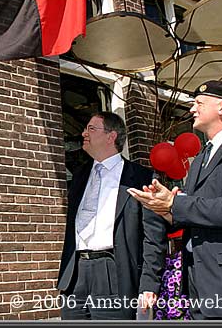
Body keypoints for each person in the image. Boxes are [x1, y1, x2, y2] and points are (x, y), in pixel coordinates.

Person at [128, 80, 222, 320]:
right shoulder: (202, 156)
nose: (192, 109)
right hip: (200, 287)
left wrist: (176, 205)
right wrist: (165, 210)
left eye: (199, 103)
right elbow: (198, 213)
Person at [57, 111, 168, 320]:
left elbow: (154, 238)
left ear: (111, 136)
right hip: (75, 276)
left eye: (91, 128)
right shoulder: (79, 176)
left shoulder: (141, 178)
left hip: (114, 273)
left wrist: (149, 284)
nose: (83, 133)